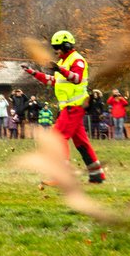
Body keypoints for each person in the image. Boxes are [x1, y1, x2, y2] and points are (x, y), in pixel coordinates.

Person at [23, 30, 107, 184]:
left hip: (74, 107)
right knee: (82, 143)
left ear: (67, 46)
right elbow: (53, 81)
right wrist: (33, 73)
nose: (56, 50)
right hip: (69, 108)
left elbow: (77, 78)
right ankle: (97, 175)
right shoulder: (62, 62)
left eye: (58, 47)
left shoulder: (77, 61)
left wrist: (59, 70)